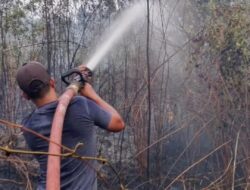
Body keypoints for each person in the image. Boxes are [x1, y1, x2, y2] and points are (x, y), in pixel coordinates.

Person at [16, 61, 125, 190]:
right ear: (52, 82)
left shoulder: (27, 127)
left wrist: (73, 88)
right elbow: (118, 124)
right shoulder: (81, 106)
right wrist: (91, 95)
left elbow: (54, 108)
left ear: (26, 96)